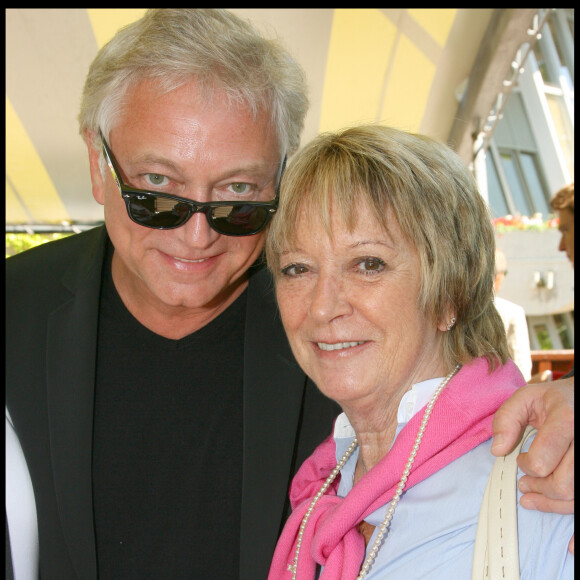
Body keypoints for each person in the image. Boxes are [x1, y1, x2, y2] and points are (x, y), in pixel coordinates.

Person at [4, 9, 574, 579]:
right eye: (158, 188)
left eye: (238, 193)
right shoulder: (15, 310)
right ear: (97, 162)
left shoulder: (337, 343)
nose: (197, 234)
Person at [266, 125, 574, 578]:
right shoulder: (327, 476)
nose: (322, 306)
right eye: (297, 268)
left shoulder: (545, 482)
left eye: (368, 264)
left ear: (449, 293)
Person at [493, 249, 532, 380]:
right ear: (498, 276)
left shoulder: (456, 308)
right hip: (504, 391)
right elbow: (522, 365)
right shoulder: (512, 312)